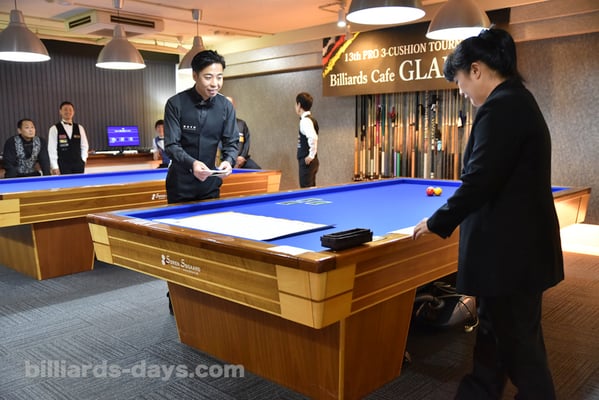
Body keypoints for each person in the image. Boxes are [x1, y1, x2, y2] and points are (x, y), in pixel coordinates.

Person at [412, 28, 562, 400]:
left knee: (522, 353)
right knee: (495, 343)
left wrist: (437, 221)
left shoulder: (502, 107)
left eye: (460, 82)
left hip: (510, 258)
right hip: (513, 257)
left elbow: (480, 180)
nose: (461, 92)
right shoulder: (516, 100)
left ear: (476, 70)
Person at [48, 101, 89, 175]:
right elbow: (52, 149)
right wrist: (55, 166)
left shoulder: (80, 127)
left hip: (78, 164)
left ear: (73, 112)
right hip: (62, 164)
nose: (68, 112)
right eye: (65, 109)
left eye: (70, 110)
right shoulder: (54, 128)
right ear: (60, 112)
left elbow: (84, 145)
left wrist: (83, 159)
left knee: (79, 182)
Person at [226, 96, 261, 169]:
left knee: (257, 169)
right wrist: (230, 159)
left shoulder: (241, 124)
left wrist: (242, 156)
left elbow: (246, 142)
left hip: (242, 159)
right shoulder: (219, 125)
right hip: (226, 160)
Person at [295, 92, 319, 187]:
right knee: (311, 190)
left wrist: (311, 155)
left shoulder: (305, 121)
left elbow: (313, 137)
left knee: (306, 190)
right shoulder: (310, 119)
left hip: (307, 163)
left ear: (299, 105)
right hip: (311, 162)